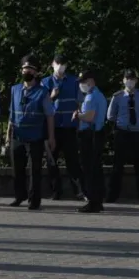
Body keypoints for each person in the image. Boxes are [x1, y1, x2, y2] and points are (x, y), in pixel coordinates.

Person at [7, 55, 56, 210]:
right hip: (18, 135)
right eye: (24, 69)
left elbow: (49, 116)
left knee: (34, 170)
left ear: (36, 73)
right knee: (17, 168)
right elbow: (11, 114)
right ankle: (19, 196)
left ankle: (34, 200)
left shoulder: (42, 92)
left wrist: (51, 137)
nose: (26, 71)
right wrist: (8, 135)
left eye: (30, 69)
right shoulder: (15, 90)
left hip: (35, 136)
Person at [106, 69, 139, 204]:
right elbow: (110, 116)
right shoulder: (118, 96)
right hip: (122, 133)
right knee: (117, 166)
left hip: (138, 133)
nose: (130, 81)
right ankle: (112, 195)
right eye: (128, 78)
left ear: (136, 81)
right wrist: (122, 122)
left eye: (132, 79)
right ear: (123, 80)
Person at [41, 54, 84, 200]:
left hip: (69, 126)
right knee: (51, 161)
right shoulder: (45, 82)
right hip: (52, 128)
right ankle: (56, 191)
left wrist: (79, 114)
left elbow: (80, 102)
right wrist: (51, 96)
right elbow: (40, 104)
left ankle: (79, 191)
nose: (60, 66)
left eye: (63, 63)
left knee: (72, 160)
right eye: (58, 63)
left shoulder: (74, 81)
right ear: (52, 64)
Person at [74, 70, 107, 213]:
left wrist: (78, 115)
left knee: (90, 169)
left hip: (90, 135)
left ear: (91, 81)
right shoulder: (98, 95)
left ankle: (93, 201)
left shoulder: (91, 97)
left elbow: (90, 117)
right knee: (95, 169)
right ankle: (97, 200)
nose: (81, 85)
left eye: (83, 82)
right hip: (96, 134)